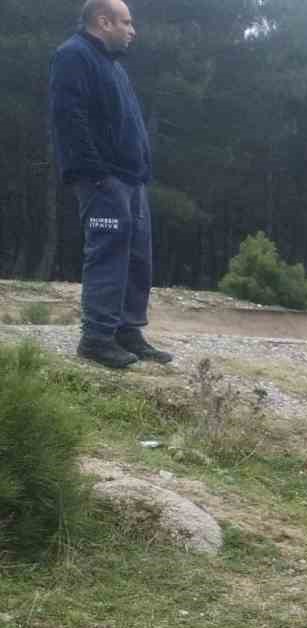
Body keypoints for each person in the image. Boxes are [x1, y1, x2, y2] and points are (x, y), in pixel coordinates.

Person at [49, 0, 171, 371]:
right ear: (104, 21)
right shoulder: (73, 56)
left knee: (136, 258)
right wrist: (95, 173)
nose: (133, 31)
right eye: (127, 23)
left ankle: (127, 331)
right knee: (108, 255)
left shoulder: (113, 66)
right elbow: (69, 118)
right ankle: (97, 338)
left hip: (131, 180)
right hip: (103, 179)